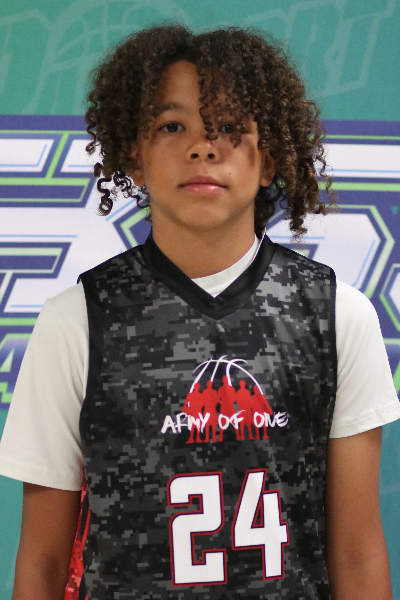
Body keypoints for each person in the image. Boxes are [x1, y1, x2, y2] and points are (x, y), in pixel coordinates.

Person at [0, 24, 399, 600]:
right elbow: (41, 562)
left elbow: (358, 557)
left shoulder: (336, 315)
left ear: (270, 160)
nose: (203, 147)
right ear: (135, 158)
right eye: (172, 126)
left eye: (230, 128)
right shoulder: (77, 321)